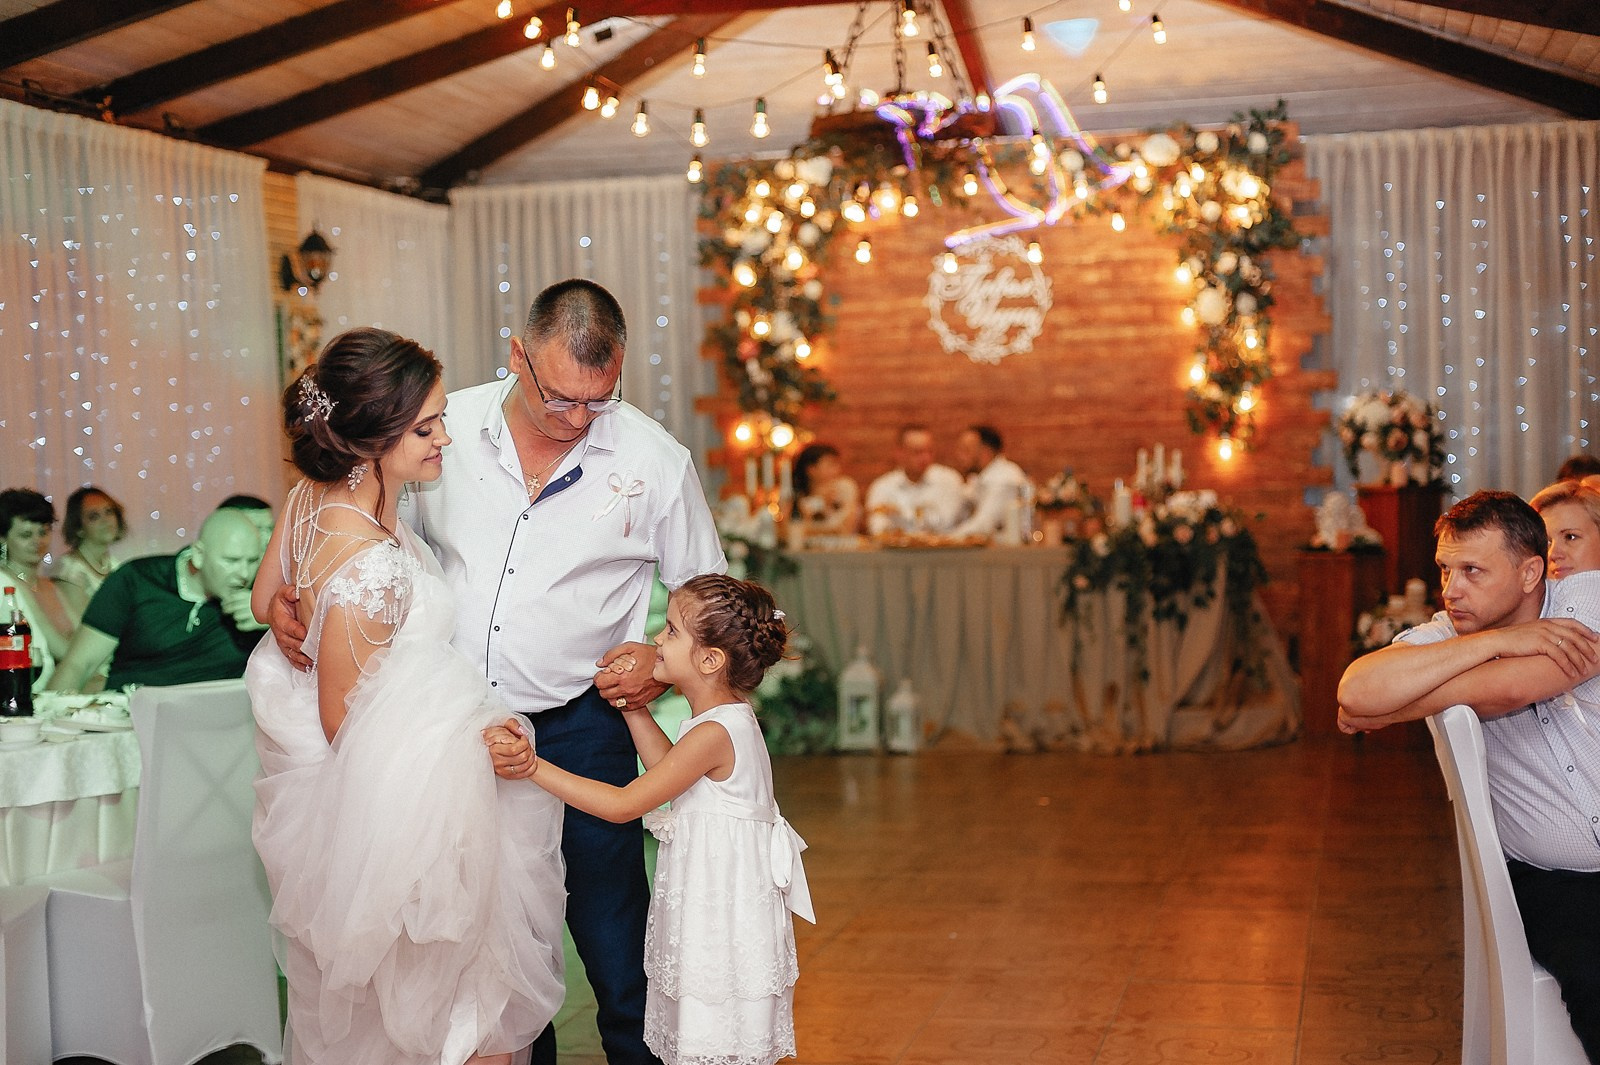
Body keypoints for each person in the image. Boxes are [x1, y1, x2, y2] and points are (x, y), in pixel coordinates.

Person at [269, 279, 725, 1065]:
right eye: (561, 397)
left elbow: (708, 598)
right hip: (452, 734)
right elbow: (366, 533)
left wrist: (656, 659)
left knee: (615, 934)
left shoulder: (654, 460)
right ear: (518, 354)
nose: (579, 417)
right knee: (490, 949)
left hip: (582, 724)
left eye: (600, 399)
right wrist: (296, 598)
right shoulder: (437, 432)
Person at [247, 328, 565, 1065]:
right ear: (370, 441)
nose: (444, 438)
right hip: (395, 816)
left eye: (441, 418)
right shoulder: (369, 568)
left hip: (383, 797)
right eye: (425, 428)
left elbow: (266, 597)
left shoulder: (309, 497)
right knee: (452, 1015)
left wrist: (289, 610)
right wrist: (473, 744)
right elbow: (345, 725)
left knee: (424, 1015)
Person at [484, 574, 813, 1065]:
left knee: (713, 1032)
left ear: (709, 660)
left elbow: (624, 804)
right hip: (711, 898)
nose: (657, 638)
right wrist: (630, 707)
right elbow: (666, 769)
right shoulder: (720, 721)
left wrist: (533, 767)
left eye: (673, 631)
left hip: (720, 912)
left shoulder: (715, 733)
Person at [1337, 489, 1600, 1055]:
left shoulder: (1585, 598)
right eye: (1445, 570)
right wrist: (1498, 641)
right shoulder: (1451, 631)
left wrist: (1398, 710)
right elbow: (1356, 690)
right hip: (1559, 884)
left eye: (1473, 571)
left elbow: (1517, 686)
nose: (1451, 590)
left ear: (1530, 574)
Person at [48, 507, 265, 692]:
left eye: (253, 561)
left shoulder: (260, 596)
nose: (244, 574)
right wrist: (45, 718)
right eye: (232, 561)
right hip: (133, 717)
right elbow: (79, 664)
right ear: (199, 555)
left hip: (215, 721)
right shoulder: (138, 580)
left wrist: (268, 618)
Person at [0, 488, 74, 688]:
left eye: (43, 532)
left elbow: (81, 638)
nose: (37, 541)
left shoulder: (50, 586)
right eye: (26, 535)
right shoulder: (6, 585)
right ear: (3, 538)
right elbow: (63, 651)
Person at [863, 424, 965, 535]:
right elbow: (877, 528)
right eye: (917, 452)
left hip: (944, 546)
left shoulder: (949, 480)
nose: (925, 457)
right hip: (896, 547)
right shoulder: (882, 486)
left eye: (929, 451)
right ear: (900, 453)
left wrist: (898, 514)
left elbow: (946, 523)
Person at [52, 485, 127, 625]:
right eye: (94, 516)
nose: (106, 520)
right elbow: (78, 627)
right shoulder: (69, 570)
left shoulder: (114, 565)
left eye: (109, 512)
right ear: (78, 528)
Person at [949, 425, 1032, 538]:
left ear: (985, 452)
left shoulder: (1004, 478)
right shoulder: (978, 478)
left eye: (966, 450)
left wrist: (945, 539)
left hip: (1009, 548)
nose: (959, 456)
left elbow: (984, 525)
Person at [791, 442, 861, 535]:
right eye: (830, 465)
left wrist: (827, 507)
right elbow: (790, 530)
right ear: (811, 469)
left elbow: (846, 528)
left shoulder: (845, 487)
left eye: (836, 464)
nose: (837, 469)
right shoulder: (796, 495)